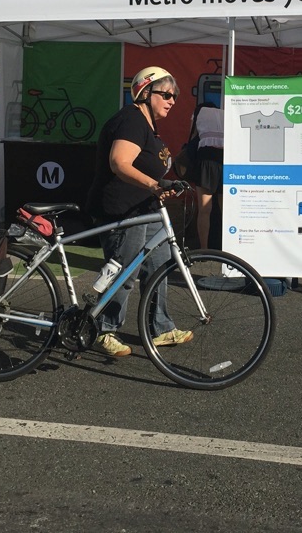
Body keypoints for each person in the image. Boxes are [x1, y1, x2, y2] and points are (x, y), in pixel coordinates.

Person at [85, 66, 193, 357]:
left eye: (176, 96)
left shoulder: (148, 127)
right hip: (123, 210)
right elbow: (119, 162)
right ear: (145, 92)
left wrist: (168, 183)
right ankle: (104, 329)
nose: (172, 100)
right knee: (125, 271)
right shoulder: (131, 119)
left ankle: (160, 328)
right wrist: (154, 185)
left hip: (146, 209)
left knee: (158, 268)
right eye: (167, 94)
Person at [192, 101, 224, 249]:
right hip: (225, 159)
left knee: (204, 209)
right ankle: (227, 248)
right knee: (226, 210)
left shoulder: (199, 113)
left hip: (205, 160)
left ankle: (203, 249)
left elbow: (193, 136)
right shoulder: (227, 113)